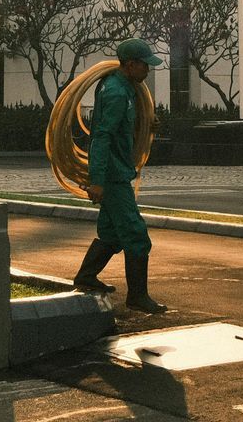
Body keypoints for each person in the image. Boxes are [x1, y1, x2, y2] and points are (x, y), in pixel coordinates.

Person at [73, 37, 168, 313]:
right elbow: (102, 136)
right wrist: (97, 181)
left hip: (116, 172)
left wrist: (146, 123)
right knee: (137, 235)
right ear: (130, 65)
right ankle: (137, 297)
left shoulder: (124, 88)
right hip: (113, 177)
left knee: (112, 233)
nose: (148, 71)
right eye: (144, 65)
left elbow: (118, 129)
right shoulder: (116, 92)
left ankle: (86, 277)